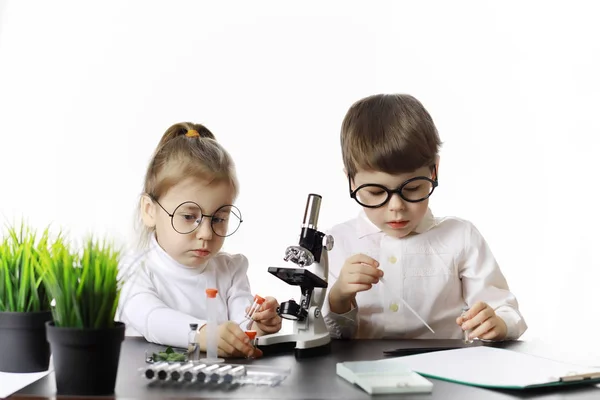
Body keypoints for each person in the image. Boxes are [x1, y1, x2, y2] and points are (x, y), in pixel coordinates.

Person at [323, 94, 527, 341]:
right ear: (350, 181)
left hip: (444, 372)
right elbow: (330, 337)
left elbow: (505, 311)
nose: (396, 207)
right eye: (376, 192)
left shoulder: (459, 236)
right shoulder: (337, 242)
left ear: (434, 171)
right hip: (360, 374)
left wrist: (498, 323)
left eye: (412, 188)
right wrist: (339, 297)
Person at [117, 122, 282, 358]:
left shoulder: (231, 271)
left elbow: (242, 328)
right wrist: (203, 333)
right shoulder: (133, 271)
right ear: (149, 210)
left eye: (219, 218)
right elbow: (151, 318)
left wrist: (259, 326)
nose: (206, 233)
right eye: (188, 216)